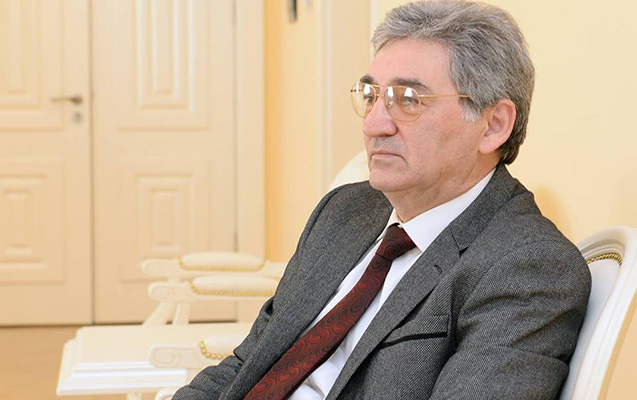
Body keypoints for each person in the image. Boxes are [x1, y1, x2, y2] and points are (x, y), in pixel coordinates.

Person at [174, 1, 591, 399]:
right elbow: (249, 364)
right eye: (372, 96)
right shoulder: (343, 212)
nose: (374, 125)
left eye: (408, 100)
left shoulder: (530, 268)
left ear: (493, 125)